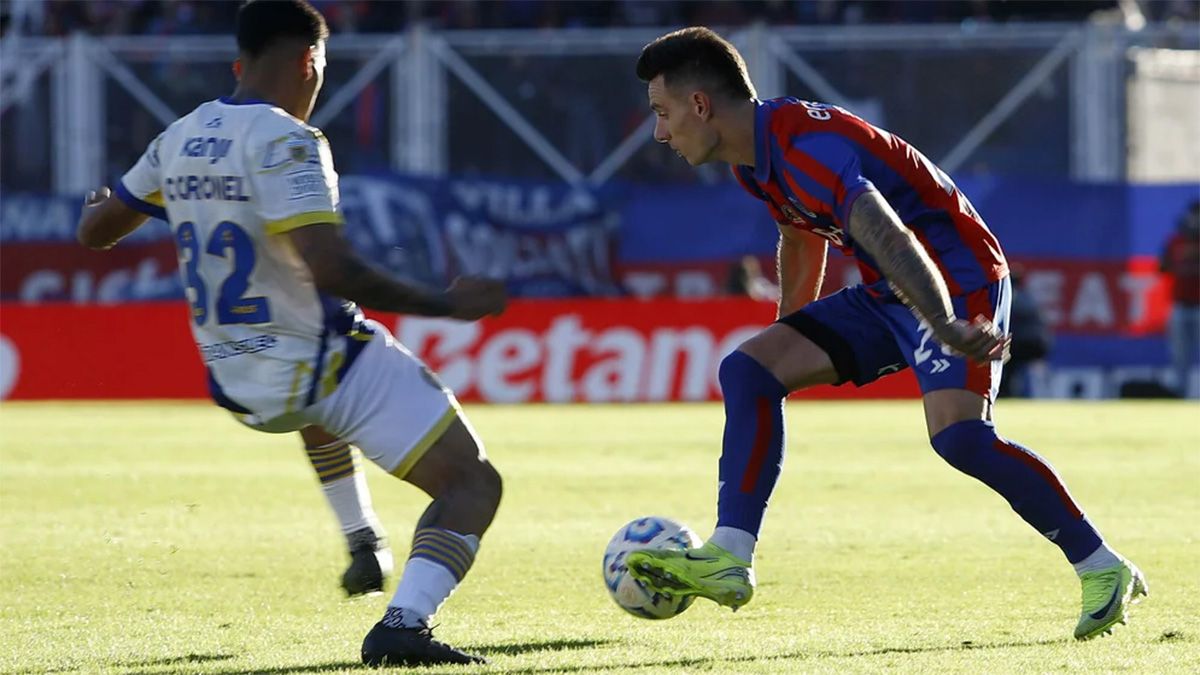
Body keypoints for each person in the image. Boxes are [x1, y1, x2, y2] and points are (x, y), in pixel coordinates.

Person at [626, 26, 1146, 641]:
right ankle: (730, 555)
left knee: (961, 439)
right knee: (750, 370)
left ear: (700, 105)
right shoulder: (755, 159)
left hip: (957, 279)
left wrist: (944, 322)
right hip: (892, 287)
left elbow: (889, 234)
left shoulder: (806, 147)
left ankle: (1103, 566)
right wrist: (792, 331)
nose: (660, 132)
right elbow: (799, 235)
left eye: (662, 113)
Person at [75, 0, 504, 666]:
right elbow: (331, 267)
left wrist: (102, 204)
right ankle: (403, 625)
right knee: (473, 483)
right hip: (320, 366)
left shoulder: (179, 135)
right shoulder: (288, 141)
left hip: (242, 385)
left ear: (238, 63)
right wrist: (445, 305)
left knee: (310, 381)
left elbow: (95, 232)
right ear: (311, 60)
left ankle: (362, 537)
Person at [1160, 200, 1200, 397]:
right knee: (1179, 354)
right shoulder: (1176, 241)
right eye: (1194, 214)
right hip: (1180, 305)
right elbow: (1163, 267)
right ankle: (1179, 393)